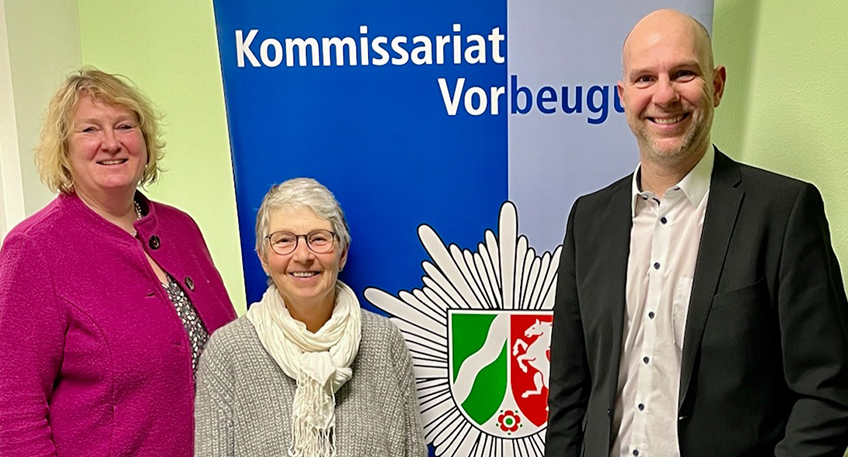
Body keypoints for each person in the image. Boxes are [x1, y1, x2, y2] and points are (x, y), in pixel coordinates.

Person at [545, 9, 848, 457]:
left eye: (683, 73)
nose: (664, 95)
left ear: (717, 85)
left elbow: (828, 393)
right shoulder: (588, 220)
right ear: (623, 97)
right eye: (645, 78)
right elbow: (568, 396)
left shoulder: (783, 213)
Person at [0, 68, 236, 456]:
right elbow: (12, 411)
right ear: (64, 149)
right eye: (90, 130)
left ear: (144, 141)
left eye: (125, 126)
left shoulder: (181, 229)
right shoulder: (34, 249)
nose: (111, 143)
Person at [194, 177, 427, 457]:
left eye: (318, 238)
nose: (303, 255)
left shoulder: (384, 341)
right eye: (284, 240)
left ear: (342, 253)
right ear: (263, 258)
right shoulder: (228, 351)